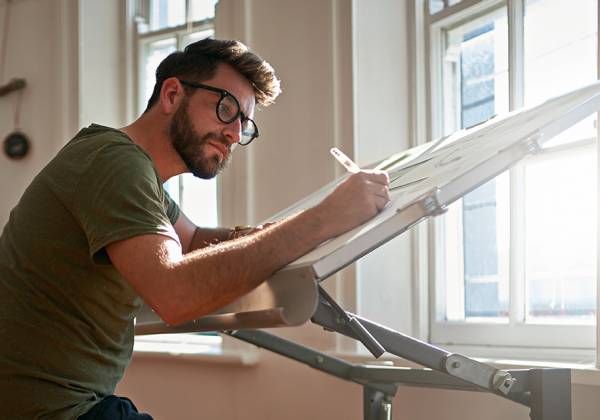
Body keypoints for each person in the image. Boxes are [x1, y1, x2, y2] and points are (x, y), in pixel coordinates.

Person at [0, 38, 390, 419]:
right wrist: (323, 219)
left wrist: (264, 232)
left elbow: (189, 240)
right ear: (172, 95)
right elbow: (176, 293)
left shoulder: (133, 171)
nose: (235, 133)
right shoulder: (114, 163)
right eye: (226, 108)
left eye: (245, 123)